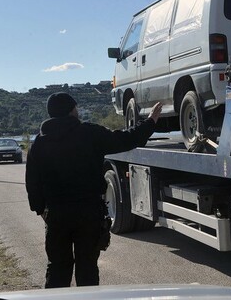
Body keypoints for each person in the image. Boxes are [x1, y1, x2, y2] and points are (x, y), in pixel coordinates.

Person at [25, 92, 162, 288]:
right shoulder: (89, 133)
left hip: (56, 215)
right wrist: (150, 122)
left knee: (57, 268)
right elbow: (126, 140)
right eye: (75, 107)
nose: (77, 110)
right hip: (88, 213)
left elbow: (32, 183)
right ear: (71, 110)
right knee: (88, 268)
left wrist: (41, 210)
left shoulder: (39, 143)